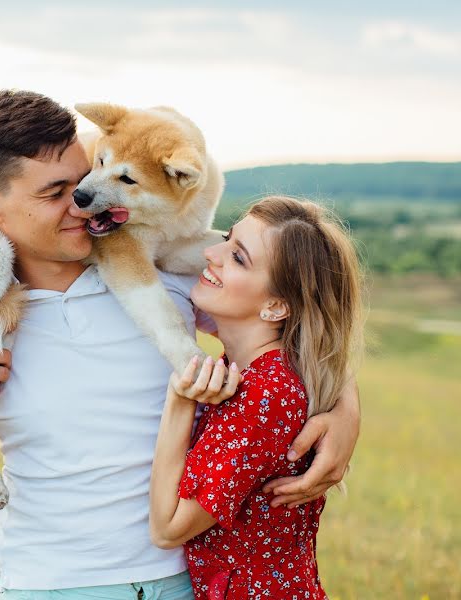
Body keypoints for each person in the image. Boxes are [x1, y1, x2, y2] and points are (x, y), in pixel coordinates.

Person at [0, 90, 361, 599]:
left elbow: (290, 329)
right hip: (45, 587)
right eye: (54, 193)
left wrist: (345, 404)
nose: (84, 199)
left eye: (83, 176)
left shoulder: (169, 283)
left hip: (182, 584)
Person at [149, 196, 363, 599]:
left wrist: (180, 401)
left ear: (275, 306)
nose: (211, 254)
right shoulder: (259, 369)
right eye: (227, 241)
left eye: (238, 258)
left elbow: (168, 527)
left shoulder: (267, 394)